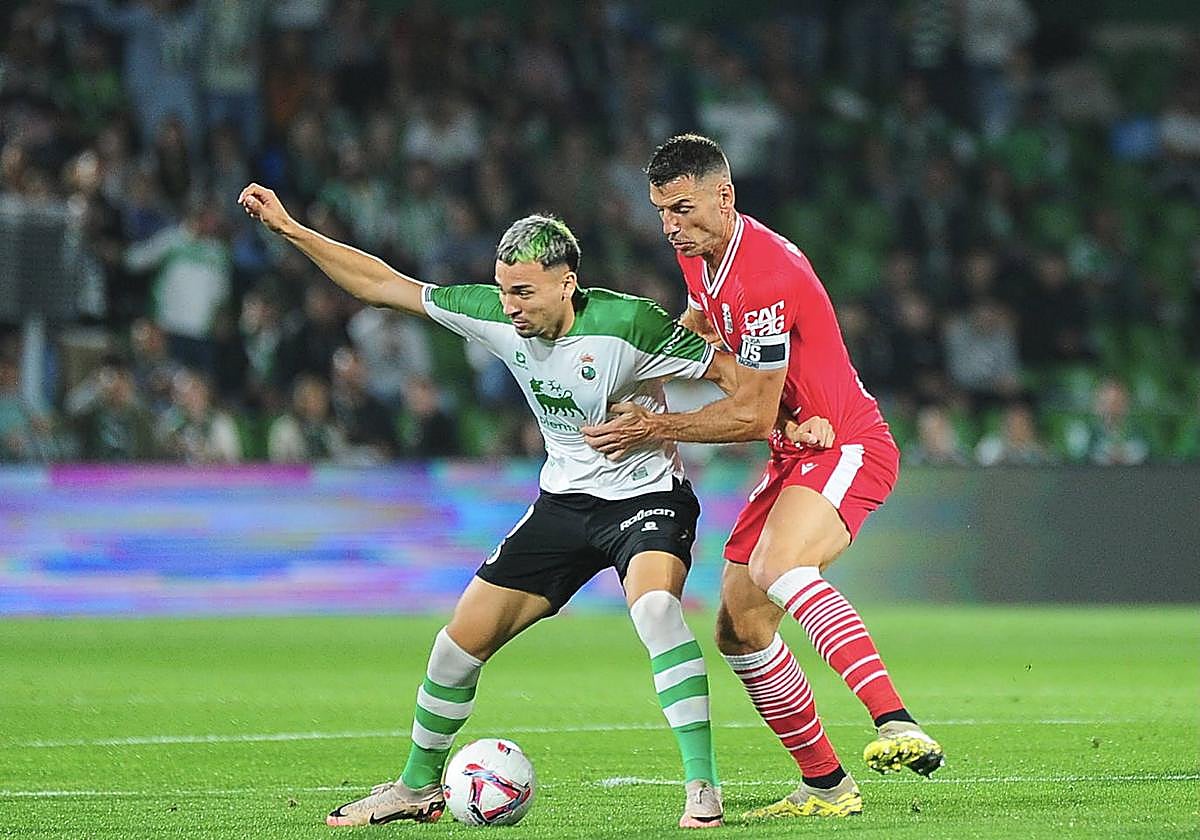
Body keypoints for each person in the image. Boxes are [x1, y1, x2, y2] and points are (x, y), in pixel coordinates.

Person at [238, 183, 828, 829]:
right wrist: (291, 229)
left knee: (658, 610)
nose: (510, 306)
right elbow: (380, 283)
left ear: (566, 282)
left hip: (647, 499)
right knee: (454, 648)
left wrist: (786, 424)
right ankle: (416, 787)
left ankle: (701, 790)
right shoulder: (492, 314)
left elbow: (740, 382)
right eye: (502, 289)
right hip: (564, 504)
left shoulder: (627, 324)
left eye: (523, 291)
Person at [583, 134, 944, 819]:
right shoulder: (702, 258)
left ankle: (893, 717)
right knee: (740, 626)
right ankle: (827, 785)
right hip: (793, 452)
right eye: (661, 211)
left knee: (778, 562)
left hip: (845, 445)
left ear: (725, 196)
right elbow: (699, 331)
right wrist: (646, 375)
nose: (670, 226)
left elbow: (748, 412)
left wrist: (654, 425)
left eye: (682, 209)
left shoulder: (765, 273)